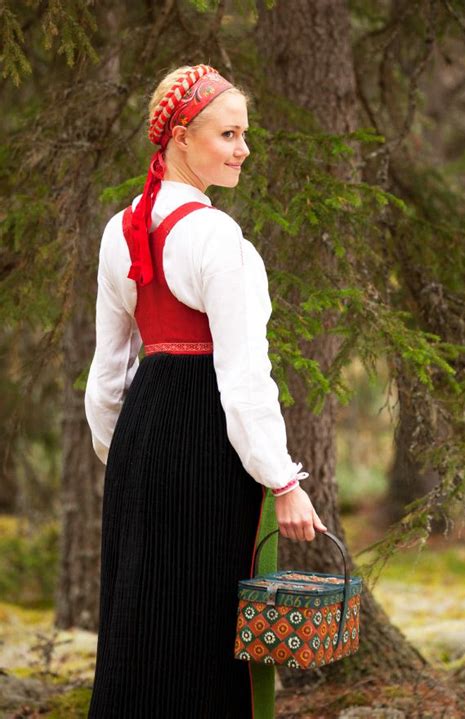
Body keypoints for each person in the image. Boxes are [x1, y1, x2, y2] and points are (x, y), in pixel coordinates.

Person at [84, 63, 327, 719]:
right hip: (206, 442)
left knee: (139, 623)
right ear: (182, 137)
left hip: (139, 435)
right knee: (205, 626)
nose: (243, 147)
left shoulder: (118, 229)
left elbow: (108, 373)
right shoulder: (218, 238)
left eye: (244, 134)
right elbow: (244, 377)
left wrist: (129, 457)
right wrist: (283, 480)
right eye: (229, 133)